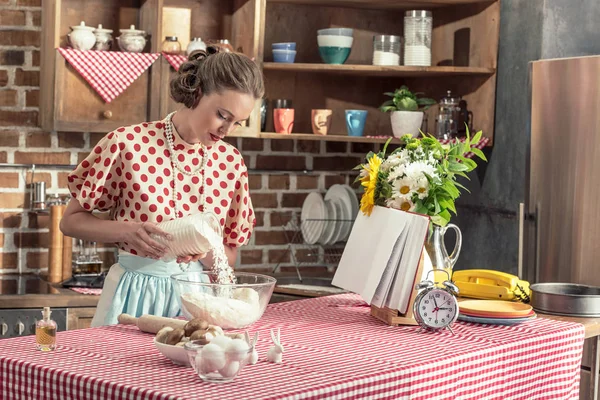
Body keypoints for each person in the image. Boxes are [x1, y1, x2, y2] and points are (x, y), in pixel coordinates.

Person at [60, 47, 265, 327]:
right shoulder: (127, 144)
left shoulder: (231, 163)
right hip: (131, 294)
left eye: (237, 123)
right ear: (197, 92)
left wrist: (201, 250)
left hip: (195, 300)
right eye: (222, 115)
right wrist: (128, 231)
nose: (226, 130)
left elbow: (227, 257)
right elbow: (70, 222)